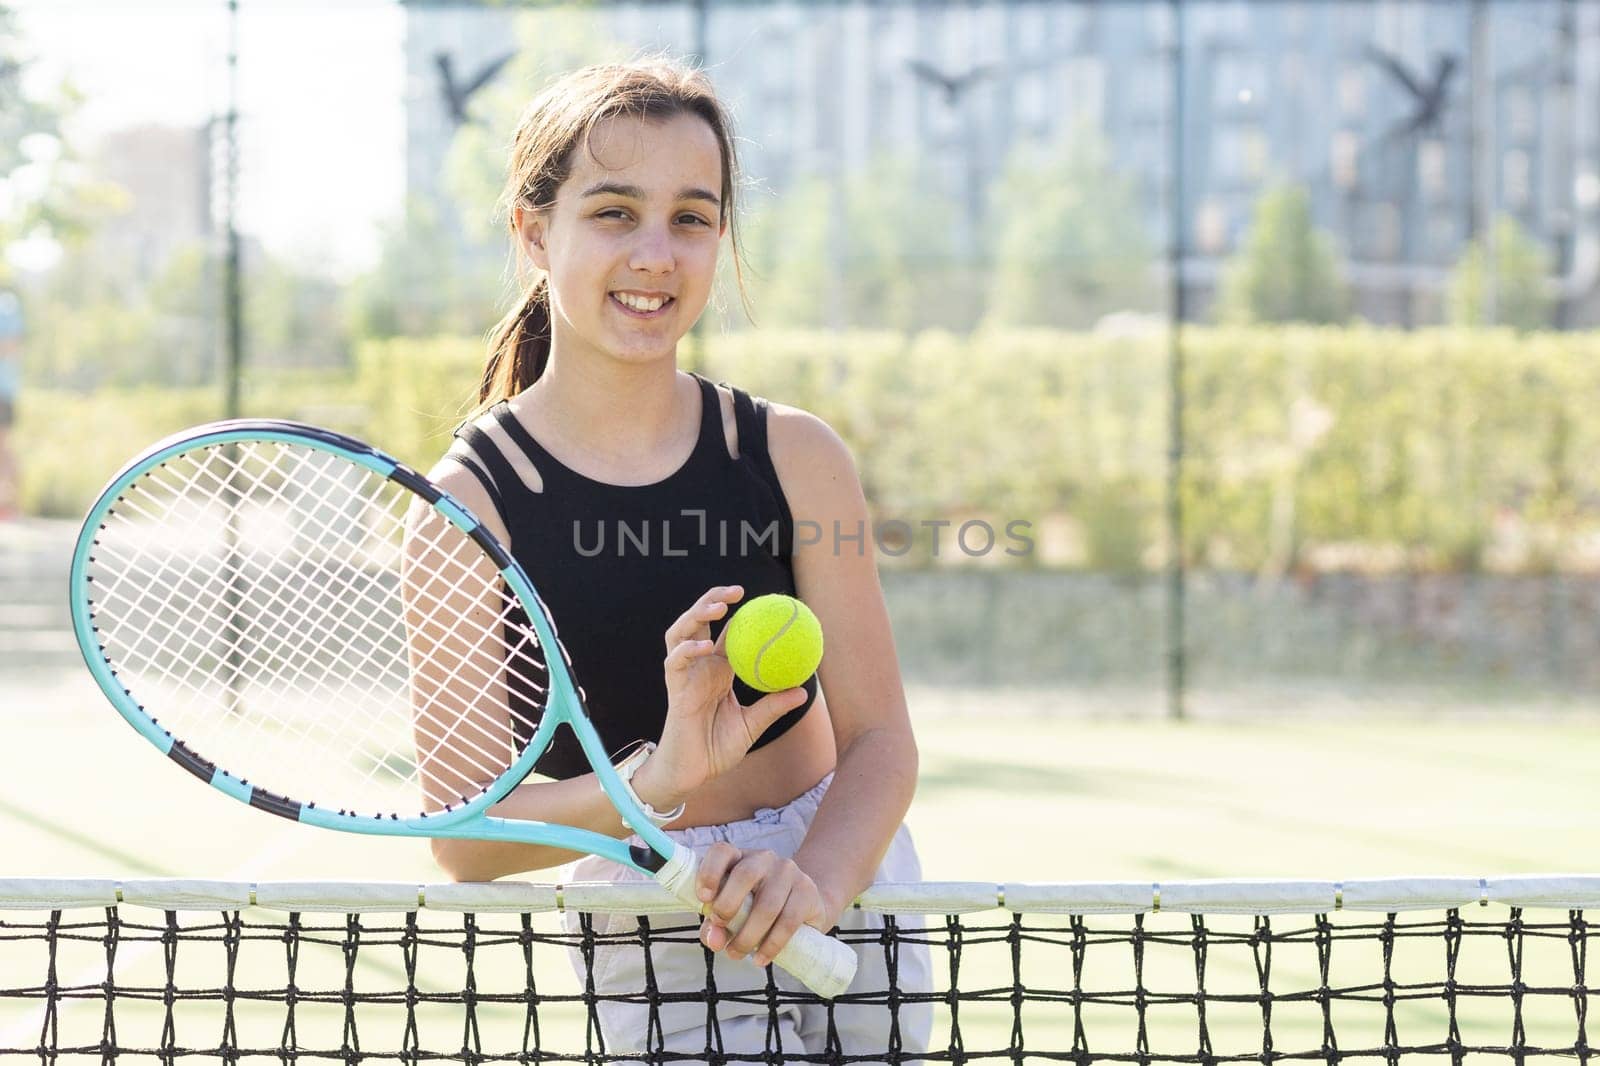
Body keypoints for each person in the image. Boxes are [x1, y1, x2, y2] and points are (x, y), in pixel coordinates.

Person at [425, 59, 930, 1058]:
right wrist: (649, 787)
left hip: (848, 899)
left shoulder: (795, 456)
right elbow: (467, 836)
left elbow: (881, 743)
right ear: (534, 233)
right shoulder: (468, 502)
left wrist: (815, 883)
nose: (656, 253)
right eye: (614, 212)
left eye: (691, 218)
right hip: (645, 923)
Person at [0, 291, 22, 521]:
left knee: (2, 446)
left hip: (2, 391)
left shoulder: (6, 305)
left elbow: (12, 344)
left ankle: (12, 504)